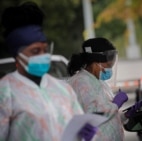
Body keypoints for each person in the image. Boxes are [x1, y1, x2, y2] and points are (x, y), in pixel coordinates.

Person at [0, 2, 97, 141]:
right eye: (35, 51)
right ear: (18, 55)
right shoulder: (5, 92)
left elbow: (76, 126)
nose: (43, 55)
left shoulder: (62, 89)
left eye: (44, 50)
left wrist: (84, 135)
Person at [67, 37, 142, 141]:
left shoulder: (101, 83)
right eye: (108, 65)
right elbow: (93, 115)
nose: (110, 69)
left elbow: (108, 117)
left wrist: (124, 115)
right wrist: (115, 104)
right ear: (95, 62)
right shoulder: (81, 82)